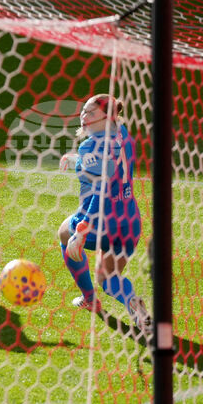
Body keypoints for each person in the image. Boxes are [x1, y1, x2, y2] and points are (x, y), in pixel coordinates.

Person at [58, 94, 151, 333]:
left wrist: (83, 229)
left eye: (90, 112)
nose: (83, 116)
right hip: (129, 219)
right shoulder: (123, 133)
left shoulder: (90, 145)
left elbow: (100, 190)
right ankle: (135, 305)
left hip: (101, 221)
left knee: (64, 234)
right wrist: (78, 160)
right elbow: (110, 162)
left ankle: (89, 299)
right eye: (83, 110)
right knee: (110, 279)